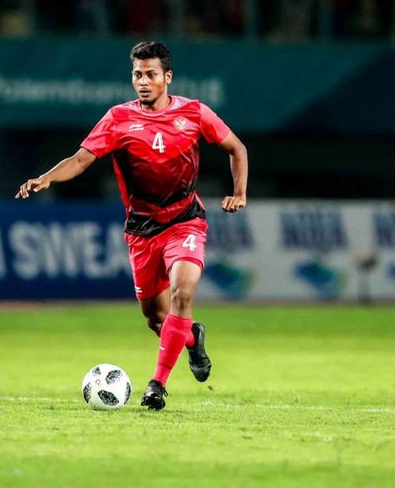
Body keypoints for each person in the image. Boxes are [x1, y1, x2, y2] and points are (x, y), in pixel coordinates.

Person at [17, 41, 248, 410]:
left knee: (182, 295)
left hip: (185, 221)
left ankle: (157, 385)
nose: (143, 81)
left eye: (151, 74)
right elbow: (80, 159)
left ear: (167, 77)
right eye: (137, 75)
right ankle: (192, 337)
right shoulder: (117, 119)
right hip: (141, 230)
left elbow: (237, 147)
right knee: (157, 318)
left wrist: (239, 192)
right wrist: (46, 178)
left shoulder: (194, 112)